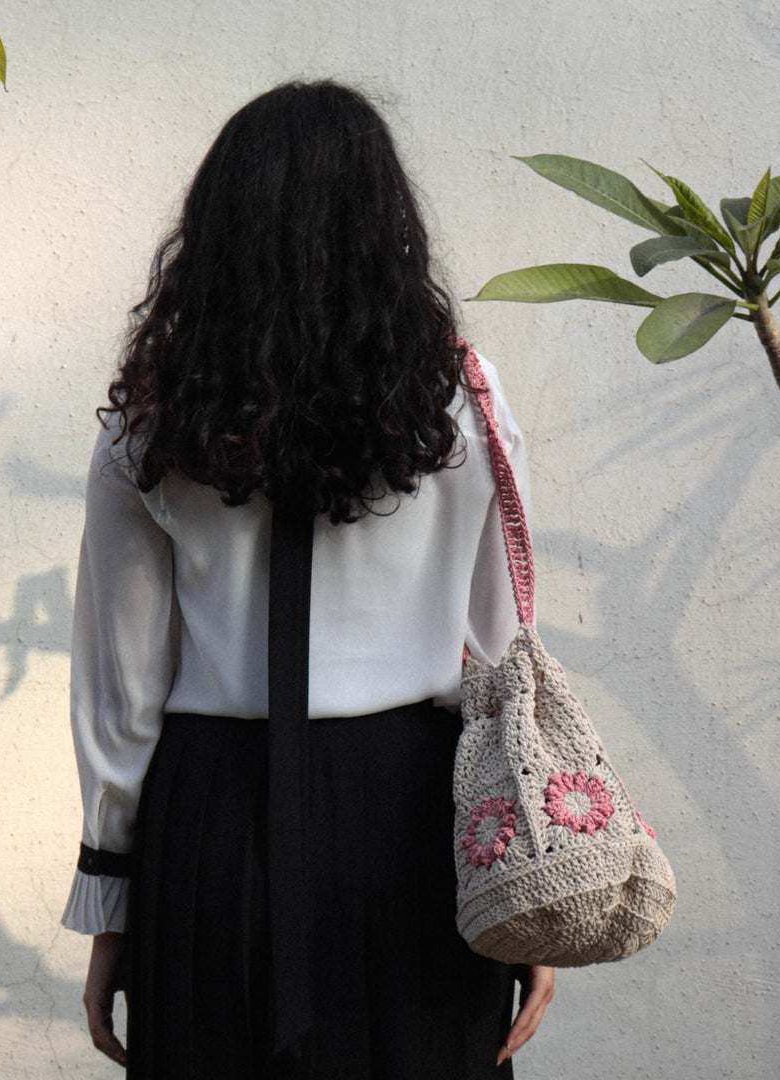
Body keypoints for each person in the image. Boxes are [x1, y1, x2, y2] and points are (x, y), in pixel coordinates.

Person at [60, 80, 554, 1078]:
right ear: (387, 230)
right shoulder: (461, 398)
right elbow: (503, 655)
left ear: (216, 230)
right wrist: (526, 883)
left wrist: (111, 900)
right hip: (415, 821)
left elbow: (120, 692)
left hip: (207, 823)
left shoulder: (153, 420)